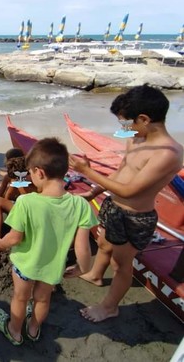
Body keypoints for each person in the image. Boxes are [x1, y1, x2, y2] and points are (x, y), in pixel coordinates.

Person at [68, 84, 183, 323]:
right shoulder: (136, 138)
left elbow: (130, 190)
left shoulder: (168, 153)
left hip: (135, 217)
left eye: (126, 123)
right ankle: (96, 275)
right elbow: (121, 173)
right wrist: (94, 190)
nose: (124, 129)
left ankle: (110, 307)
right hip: (112, 204)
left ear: (143, 119)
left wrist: (87, 171)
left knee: (121, 265)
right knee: (103, 243)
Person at [0, 138, 97, 345]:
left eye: (30, 172)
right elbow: (82, 246)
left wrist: (0, 243)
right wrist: (82, 268)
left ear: (39, 172)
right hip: (53, 267)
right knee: (42, 299)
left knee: (20, 298)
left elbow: (15, 237)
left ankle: (14, 330)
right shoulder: (80, 205)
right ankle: (33, 329)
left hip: (25, 264)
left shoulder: (26, 202)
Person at [0, 150, 36, 241]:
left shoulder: (12, 177)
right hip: (27, 204)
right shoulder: (33, 175)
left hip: (19, 204)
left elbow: (5, 196)